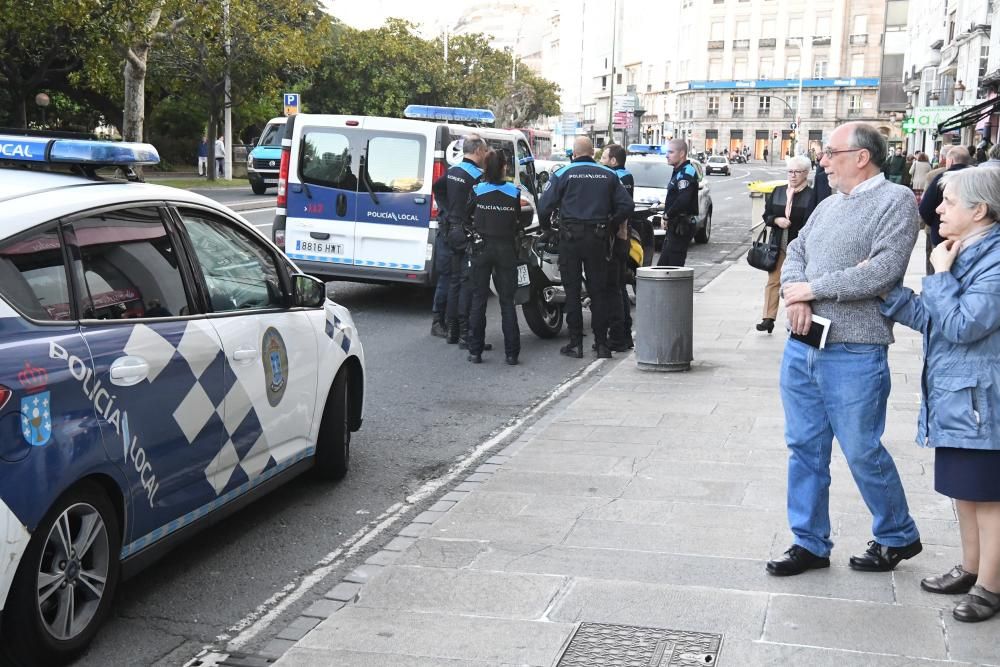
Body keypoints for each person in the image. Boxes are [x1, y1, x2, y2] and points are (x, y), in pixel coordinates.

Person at [766, 122, 922, 577]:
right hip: (804, 344)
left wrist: (812, 288)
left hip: (855, 349)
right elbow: (796, 250)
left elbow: (882, 273)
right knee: (804, 448)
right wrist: (800, 292)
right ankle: (809, 542)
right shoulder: (829, 205)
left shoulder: (894, 202)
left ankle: (897, 534)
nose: (823, 161)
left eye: (830, 152)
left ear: (861, 157)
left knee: (860, 449)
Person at [879, 168, 1000, 622]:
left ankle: (991, 585)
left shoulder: (993, 258)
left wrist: (941, 274)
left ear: (980, 211)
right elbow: (936, 319)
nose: (937, 209)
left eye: (948, 202)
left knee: (989, 498)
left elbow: (963, 324)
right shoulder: (964, 249)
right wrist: (890, 295)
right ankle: (971, 567)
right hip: (957, 394)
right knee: (965, 492)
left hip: (983, 401)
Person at [537, 136, 633, 359]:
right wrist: (611, 224)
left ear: (574, 153)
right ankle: (601, 345)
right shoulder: (608, 174)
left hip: (570, 238)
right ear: (593, 153)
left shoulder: (562, 174)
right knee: (598, 292)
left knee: (571, 291)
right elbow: (627, 205)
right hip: (598, 238)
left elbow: (544, 206)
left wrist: (547, 228)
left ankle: (575, 343)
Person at [465, 150, 524, 365]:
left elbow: (466, 216)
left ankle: (475, 351)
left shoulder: (477, 190)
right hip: (506, 249)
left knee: (478, 300)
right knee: (507, 302)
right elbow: (518, 220)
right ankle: (511, 354)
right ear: (503, 168)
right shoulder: (514, 192)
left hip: (481, 248)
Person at [432, 135, 490, 347]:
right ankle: (466, 333)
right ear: (477, 151)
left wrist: (447, 211)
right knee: (467, 283)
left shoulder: (453, 171)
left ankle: (450, 329)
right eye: (484, 151)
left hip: (449, 229)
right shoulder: (477, 176)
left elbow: (437, 188)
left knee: (452, 279)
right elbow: (482, 204)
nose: (485, 155)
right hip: (465, 232)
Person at [755, 156, 815, 334]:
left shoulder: (811, 196)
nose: (793, 175)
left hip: (801, 247)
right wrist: (777, 220)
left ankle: (796, 320)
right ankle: (768, 318)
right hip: (778, 244)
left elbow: (812, 222)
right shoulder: (778, 191)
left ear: (806, 173)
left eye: (797, 172)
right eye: (790, 171)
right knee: (774, 281)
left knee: (797, 283)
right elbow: (766, 215)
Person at [600, 143, 635, 351]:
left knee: (614, 288)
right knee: (619, 286)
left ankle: (618, 336)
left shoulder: (616, 178)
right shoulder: (627, 176)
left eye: (604, 158)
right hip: (624, 236)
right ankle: (624, 334)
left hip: (617, 238)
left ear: (613, 161)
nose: (601, 161)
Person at [920, 146, 973, 273]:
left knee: (937, 273)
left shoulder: (941, 178)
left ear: (950, 161)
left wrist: (935, 224)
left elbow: (925, 208)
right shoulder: (975, 178)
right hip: (969, 239)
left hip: (941, 239)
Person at [657, 139, 699, 267]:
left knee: (673, 269)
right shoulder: (678, 171)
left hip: (681, 226)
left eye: (670, 152)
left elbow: (683, 200)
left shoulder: (686, 172)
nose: (667, 155)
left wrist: (667, 215)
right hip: (675, 226)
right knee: (663, 268)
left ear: (681, 154)